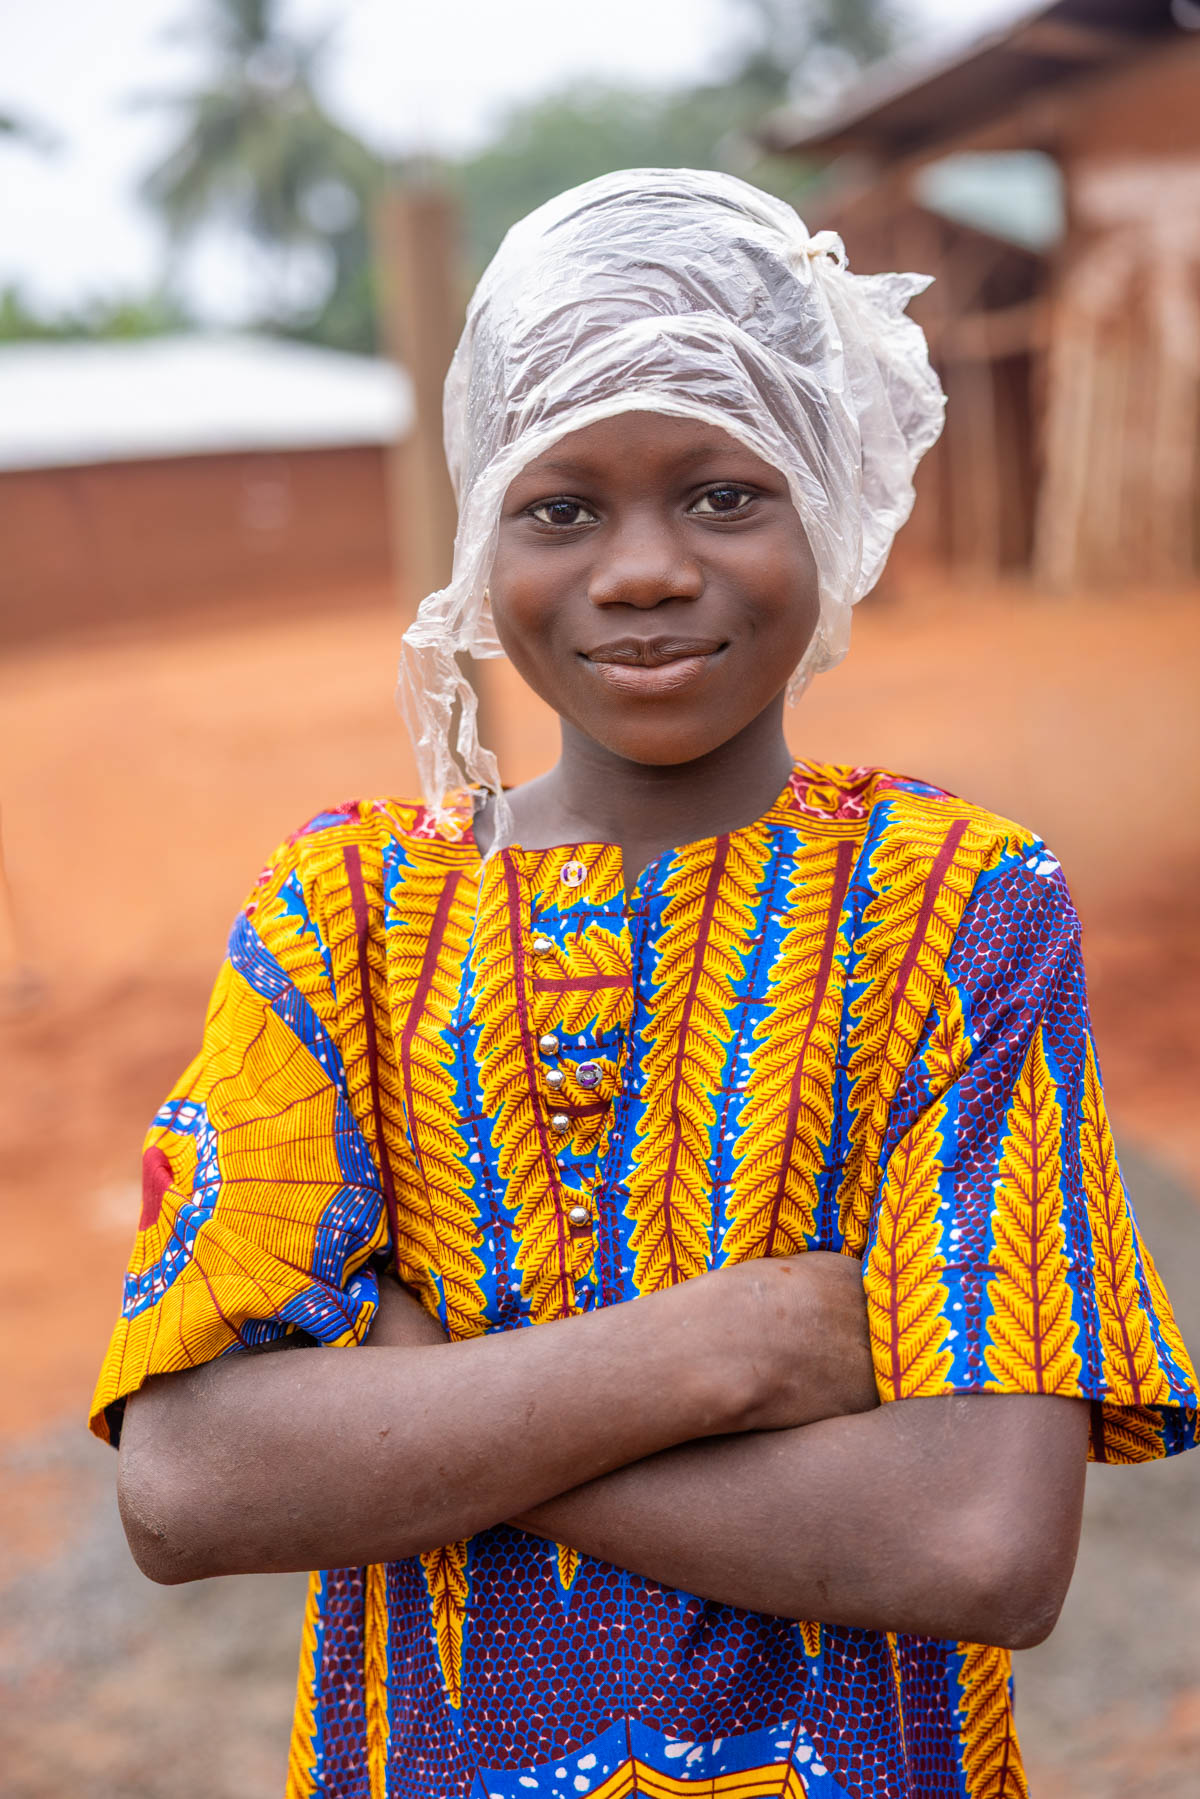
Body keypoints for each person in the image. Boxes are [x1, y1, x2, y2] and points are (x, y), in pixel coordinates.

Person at [93, 170, 1197, 1799]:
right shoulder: (344, 915)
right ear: (481, 529)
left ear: (833, 494)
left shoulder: (960, 910)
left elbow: (978, 1542)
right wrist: (725, 1349)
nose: (644, 570)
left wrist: (411, 1416)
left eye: (725, 492)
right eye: (559, 508)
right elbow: (191, 1487)